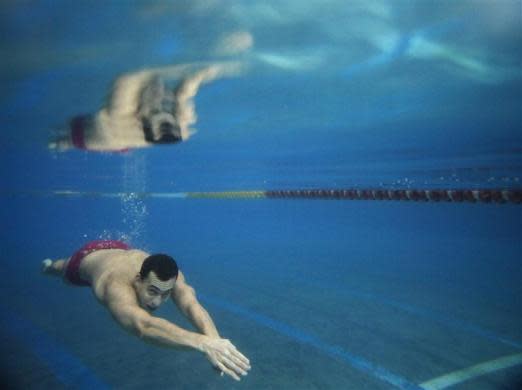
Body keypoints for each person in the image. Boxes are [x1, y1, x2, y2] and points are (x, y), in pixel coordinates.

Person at [41, 240, 251, 381]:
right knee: (60, 269)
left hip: (120, 248)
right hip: (85, 260)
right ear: (138, 280)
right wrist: (202, 343)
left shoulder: (170, 277)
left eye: (165, 294)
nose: (157, 302)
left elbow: (191, 305)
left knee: (180, 295)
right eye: (152, 291)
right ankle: (50, 265)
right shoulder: (115, 286)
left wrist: (215, 342)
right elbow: (143, 326)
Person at [49, 62, 241, 152]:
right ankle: (64, 140)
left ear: (142, 114)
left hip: (101, 135)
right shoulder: (180, 124)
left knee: (71, 132)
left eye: (156, 109)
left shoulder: (119, 115)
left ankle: (63, 142)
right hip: (128, 138)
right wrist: (210, 70)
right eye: (163, 107)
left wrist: (158, 71)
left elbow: (128, 78)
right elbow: (185, 93)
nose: (162, 97)